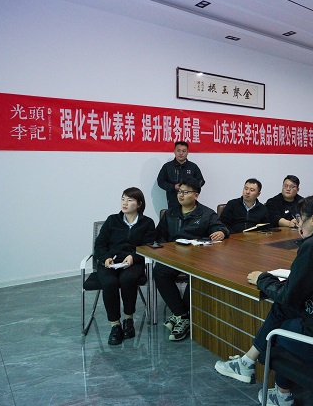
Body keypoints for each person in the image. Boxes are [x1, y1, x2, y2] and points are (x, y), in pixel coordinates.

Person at [213, 194, 313, 406]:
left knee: (280, 326)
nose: (298, 223)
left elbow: (289, 296)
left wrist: (262, 278)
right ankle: (247, 362)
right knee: (282, 310)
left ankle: (281, 394)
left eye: (300, 218)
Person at [153, 178, 229, 341]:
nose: (180, 195)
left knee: (196, 275)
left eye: (185, 192)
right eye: (179, 191)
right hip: (174, 256)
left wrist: (221, 232)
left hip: (197, 257)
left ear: (196, 195)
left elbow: (220, 228)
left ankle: (181, 316)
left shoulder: (207, 214)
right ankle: (182, 315)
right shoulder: (170, 213)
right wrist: (165, 249)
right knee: (159, 271)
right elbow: (159, 235)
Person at [94, 187, 157, 345]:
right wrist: (105, 258)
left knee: (128, 279)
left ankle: (128, 319)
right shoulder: (112, 220)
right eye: (123, 199)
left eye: (130, 200)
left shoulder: (147, 223)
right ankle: (115, 325)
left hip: (133, 262)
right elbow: (100, 244)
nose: (125, 203)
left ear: (139, 204)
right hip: (110, 262)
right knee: (110, 282)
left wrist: (133, 257)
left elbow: (149, 246)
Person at [157, 141, 205, 211]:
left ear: (187, 152)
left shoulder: (193, 166)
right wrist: (173, 187)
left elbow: (201, 181)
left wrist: (190, 187)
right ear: (174, 151)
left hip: (189, 200)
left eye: (184, 151)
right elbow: (160, 181)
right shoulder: (167, 166)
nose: (181, 153)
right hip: (173, 200)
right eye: (178, 151)